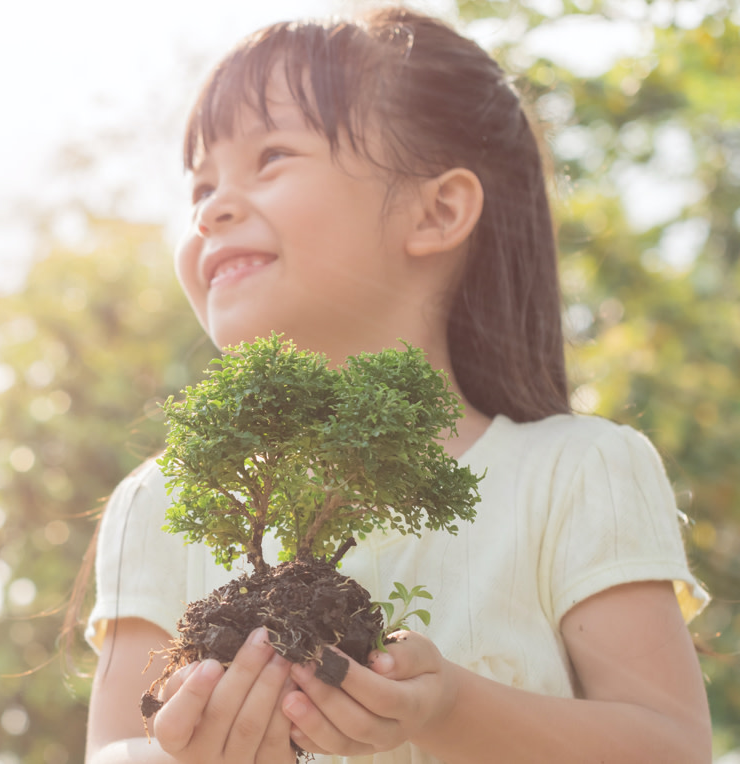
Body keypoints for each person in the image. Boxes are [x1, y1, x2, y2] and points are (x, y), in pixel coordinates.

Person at [82, 6, 712, 763]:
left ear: (437, 210)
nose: (211, 208)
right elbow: (114, 749)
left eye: (272, 155)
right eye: (200, 186)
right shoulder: (158, 504)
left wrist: (449, 708)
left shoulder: (579, 473)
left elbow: (671, 747)